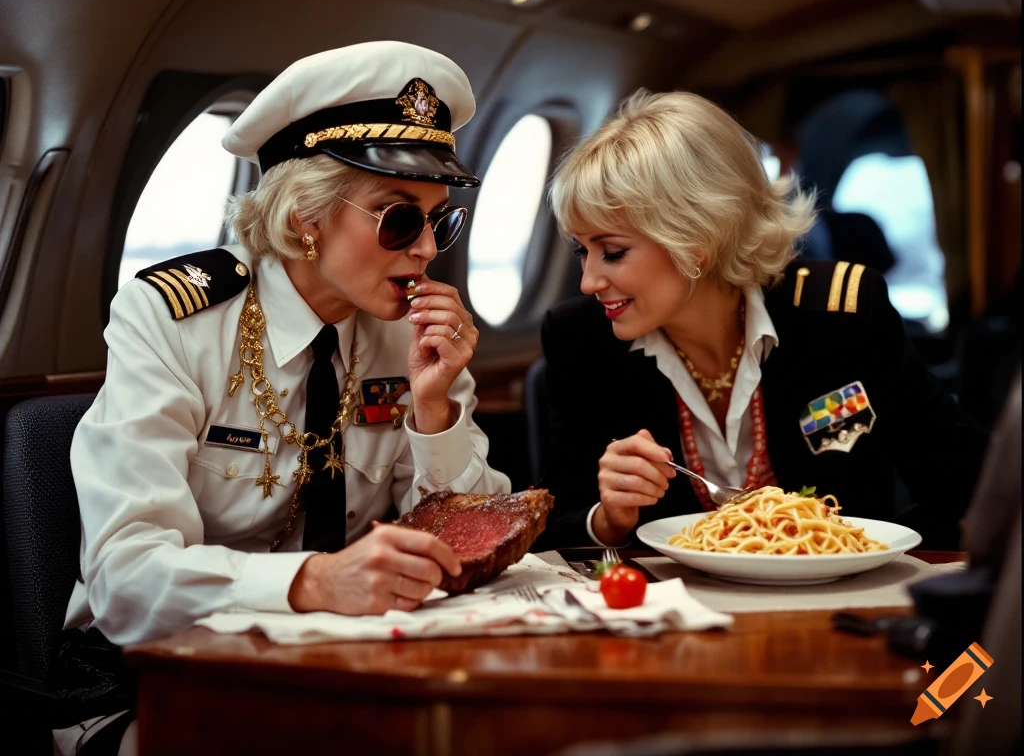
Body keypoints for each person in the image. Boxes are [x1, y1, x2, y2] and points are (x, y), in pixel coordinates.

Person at [55, 41, 509, 756]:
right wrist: (317, 581)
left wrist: (435, 413)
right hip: (151, 677)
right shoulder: (172, 320)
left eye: (439, 221)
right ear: (306, 216)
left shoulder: (410, 335)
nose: (426, 249)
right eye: (399, 220)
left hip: (336, 666)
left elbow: (477, 542)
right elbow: (126, 579)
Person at [537, 90, 986, 551]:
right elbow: (549, 525)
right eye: (581, 251)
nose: (589, 281)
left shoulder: (842, 314)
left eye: (612, 252)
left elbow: (969, 483)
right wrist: (607, 517)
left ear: (696, 239)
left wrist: (872, 552)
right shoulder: (580, 338)